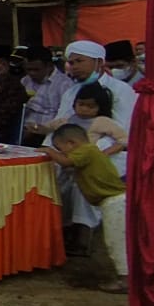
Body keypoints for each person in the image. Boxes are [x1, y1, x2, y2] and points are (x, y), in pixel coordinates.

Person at [47, 40, 138, 252]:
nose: (73, 66)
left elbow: (122, 131)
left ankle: (83, 234)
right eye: (70, 62)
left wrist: (85, 154)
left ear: (99, 62)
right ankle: (56, 227)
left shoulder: (121, 90)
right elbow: (61, 126)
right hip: (69, 149)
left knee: (85, 173)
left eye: (79, 61)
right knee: (48, 170)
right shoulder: (71, 91)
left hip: (110, 152)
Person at [42, 123, 128, 293]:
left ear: (71, 143)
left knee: (116, 241)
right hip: (114, 202)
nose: (62, 152)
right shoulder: (90, 152)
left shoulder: (86, 150)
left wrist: (50, 152)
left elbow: (66, 162)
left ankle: (126, 279)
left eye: (61, 148)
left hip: (115, 202)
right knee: (120, 239)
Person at [20, 46, 76, 146]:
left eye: (36, 70)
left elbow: (67, 116)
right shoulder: (25, 81)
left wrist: (41, 129)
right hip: (23, 132)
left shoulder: (64, 84)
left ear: (49, 66)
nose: (32, 73)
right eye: (28, 69)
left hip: (49, 135)